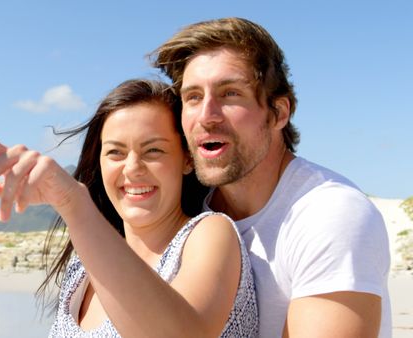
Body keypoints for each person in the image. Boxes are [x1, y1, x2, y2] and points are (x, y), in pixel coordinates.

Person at [0, 79, 258, 337]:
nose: (132, 168)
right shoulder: (83, 266)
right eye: (115, 152)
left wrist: (75, 206)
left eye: (153, 150)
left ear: (187, 159)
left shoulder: (209, 234)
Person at [150, 17, 391, 337]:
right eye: (193, 97)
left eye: (230, 94)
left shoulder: (330, 213)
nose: (206, 116)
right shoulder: (183, 210)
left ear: (279, 113)